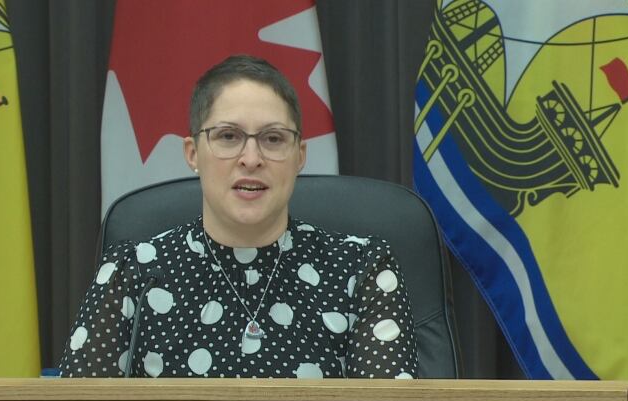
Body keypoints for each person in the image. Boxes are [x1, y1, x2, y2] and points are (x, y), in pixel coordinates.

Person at [59, 55, 418, 379]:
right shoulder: (134, 272)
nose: (251, 158)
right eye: (229, 136)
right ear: (192, 153)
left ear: (300, 156)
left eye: (273, 139)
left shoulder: (360, 268)